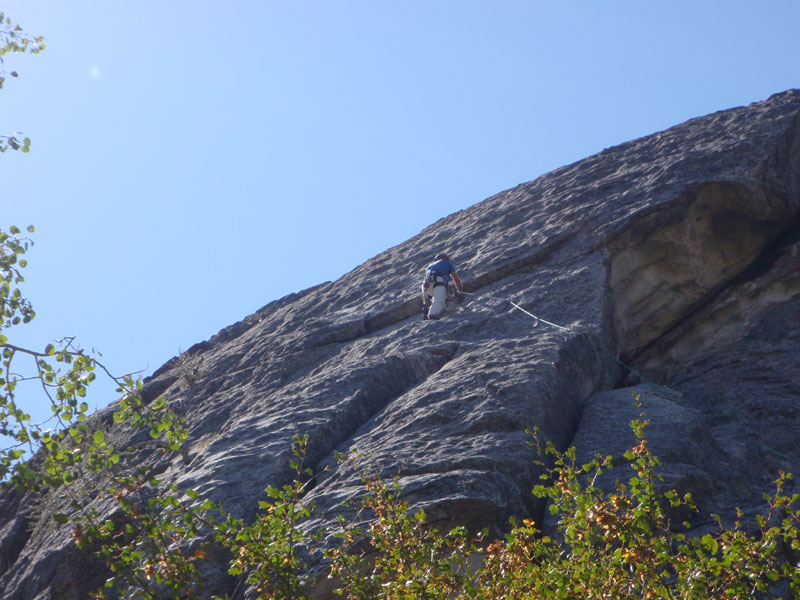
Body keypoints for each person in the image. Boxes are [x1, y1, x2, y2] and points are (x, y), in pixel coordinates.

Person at [422, 252, 463, 320]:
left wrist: (448, 296)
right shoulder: (447, 263)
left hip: (426, 285)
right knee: (439, 298)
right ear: (446, 259)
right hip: (439, 280)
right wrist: (460, 291)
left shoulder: (429, 266)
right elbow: (456, 279)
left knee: (440, 298)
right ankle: (432, 314)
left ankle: (427, 309)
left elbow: (444, 289)